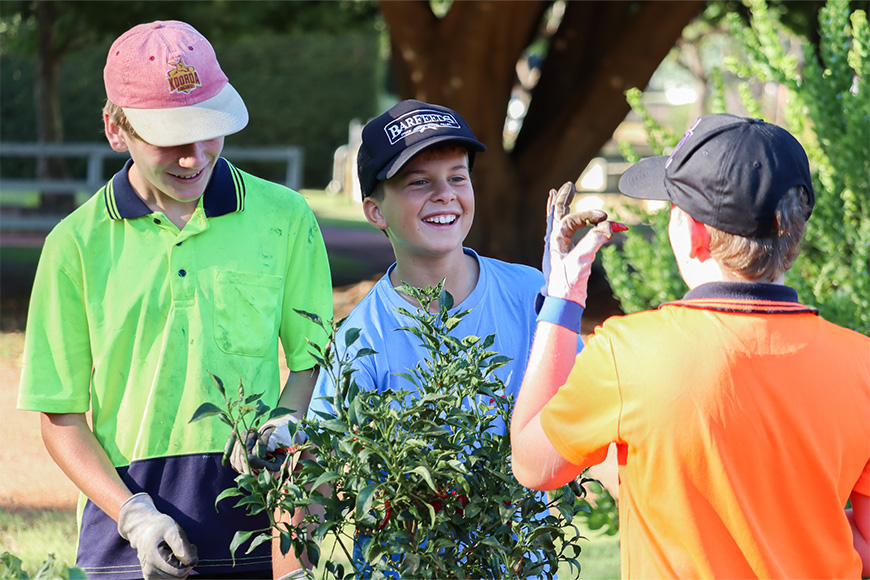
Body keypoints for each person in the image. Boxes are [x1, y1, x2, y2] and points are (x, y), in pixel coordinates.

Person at [17, 20, 332, 580]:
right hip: (123, 548)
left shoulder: (286, 219)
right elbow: (60, 415)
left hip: (258, 535)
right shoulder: (73, 246)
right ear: (117, 128)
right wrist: (134, 516)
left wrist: (286, 422)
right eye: (170, 137)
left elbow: (313, 362)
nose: (193, 156)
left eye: (207, 129)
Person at [511, 113, 870, 578]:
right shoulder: (861, 363)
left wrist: (562, 298)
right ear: (794, 235)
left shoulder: (629, 356)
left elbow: (533, 463)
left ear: (695, 234)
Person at [301, 99, 554, 575]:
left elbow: (587, 415)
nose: (445, 194)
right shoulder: (361, 337)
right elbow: (321, 475)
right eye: (419, 182)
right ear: (376, 211)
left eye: (458, 177)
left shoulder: (532, 296)